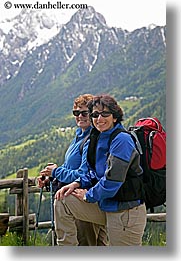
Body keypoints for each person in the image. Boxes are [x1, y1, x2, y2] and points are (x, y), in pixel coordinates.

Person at [54, 94, 147, 246]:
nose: (99, 118)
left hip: (126, 211)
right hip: (107, 205)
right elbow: (92, 173)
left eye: (105, 114)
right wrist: (76, 184)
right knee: (63, 200)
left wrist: (88, 195)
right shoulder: (97, 138)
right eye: (95, 115)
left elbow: (112, 180)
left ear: (115, 117)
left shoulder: (122, 140)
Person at [38, 94, 108, 246]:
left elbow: (83, 174)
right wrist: (51, 178)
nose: (80, 116)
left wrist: (56, 172)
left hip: (84, 200)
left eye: (84, 113)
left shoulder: (92, 140)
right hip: (75, 200)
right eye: (76, 113)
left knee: (87, 244)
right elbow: (70, 167)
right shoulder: (79, 137)